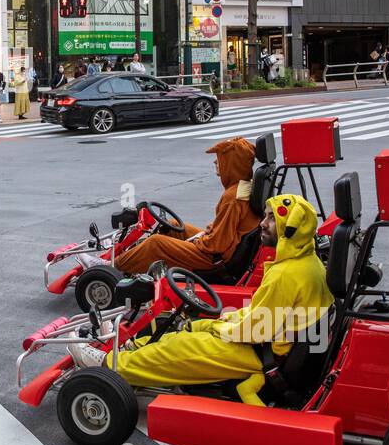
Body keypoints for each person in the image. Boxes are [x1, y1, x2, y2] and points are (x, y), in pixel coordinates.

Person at [67, 194, 332, 407]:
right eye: (265, 216)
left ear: (291, 228)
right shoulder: (307, 263)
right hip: (271, 346)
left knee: (179, 349)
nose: (263, 224)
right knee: (181, 333)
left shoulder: (287, 274)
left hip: (266, 354)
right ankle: (130, 350)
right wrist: (218, 322)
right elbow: (264, 316)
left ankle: (110, 365)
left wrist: (215, 327)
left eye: (271, 219)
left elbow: (256, 329)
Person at [96, 137, 261, 277]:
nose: (216, 162)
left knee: (156, 243)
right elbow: (224, 231)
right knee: (174, 226)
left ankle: (110, 268)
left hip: (216, 257)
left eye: (220, 159)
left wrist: (199, 241)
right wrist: (206, 235)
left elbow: (217, 244)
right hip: (226, 249)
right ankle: (134, 262)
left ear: (231, 163)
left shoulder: (232, 198)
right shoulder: (244, 187)